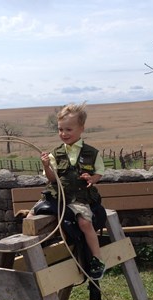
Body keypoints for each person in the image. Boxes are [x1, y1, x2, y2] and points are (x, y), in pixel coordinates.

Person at [31, 102, 106, 279]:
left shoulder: (92, 153)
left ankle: (97, 259)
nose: (63, 134)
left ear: (81, 129)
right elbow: (51, 178)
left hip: (78, 198)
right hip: (57, 195)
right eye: (60, 130)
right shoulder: (54, 154)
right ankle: (34, 258)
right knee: (31, 218)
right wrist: (46, 166)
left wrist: (92, 179)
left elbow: (99, 172)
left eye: (68, 130)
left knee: (85, 223)